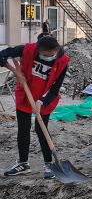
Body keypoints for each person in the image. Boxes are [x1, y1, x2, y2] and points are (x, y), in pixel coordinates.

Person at [0, 36, 69, 179]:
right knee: (23, 129)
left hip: (45, 98)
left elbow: (55, 88)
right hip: (25, 95)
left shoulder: (62, 62)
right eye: (40, 53)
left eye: (46, 54)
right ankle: (23, 163)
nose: (42, 56)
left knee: (41, 129)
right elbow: (2, 55)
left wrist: (41, 101)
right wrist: (16, 72)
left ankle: (49, 164)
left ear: (55, 50)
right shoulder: (28, 49)